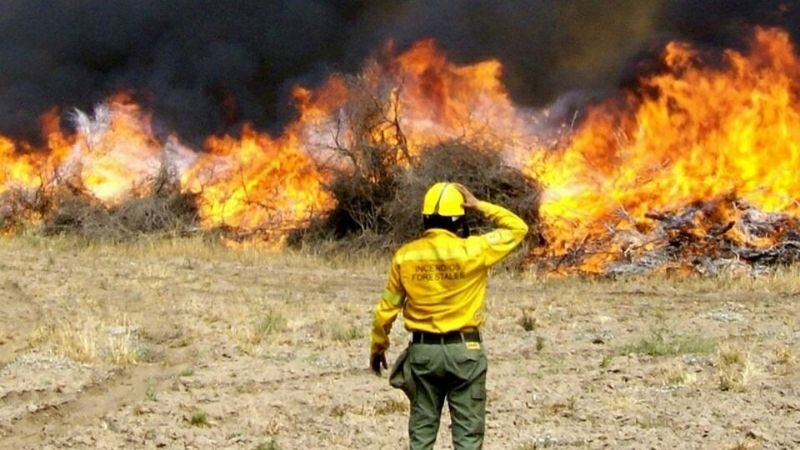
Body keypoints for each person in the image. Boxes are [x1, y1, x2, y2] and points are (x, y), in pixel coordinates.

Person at [369, 182, 529, 450]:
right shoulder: (475, 250)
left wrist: (378, 346)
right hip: (465, 353)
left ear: (425, 218)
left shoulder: (406, 256)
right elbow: (518, 228)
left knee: (421, 437)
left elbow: (386, 309)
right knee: (467, 440)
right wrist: (480, 205)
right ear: (460, 221)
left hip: (423, 356)